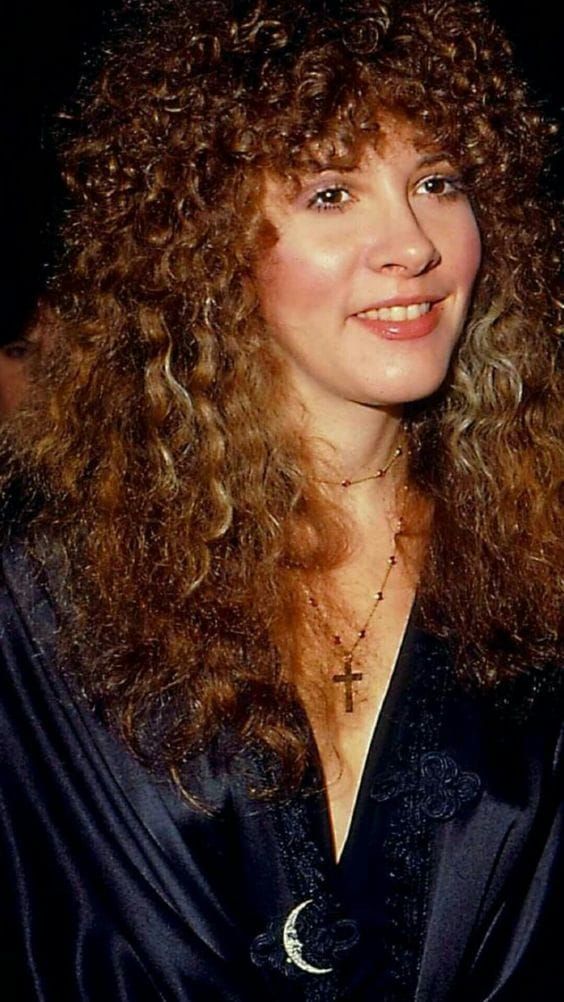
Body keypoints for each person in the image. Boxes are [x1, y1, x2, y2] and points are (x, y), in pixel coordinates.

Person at [0, 0, 562, 999]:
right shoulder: (49, 602)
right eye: (333, 192)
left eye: (437, 182)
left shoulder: (542, 572)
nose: (413, 245)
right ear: (211, 237)